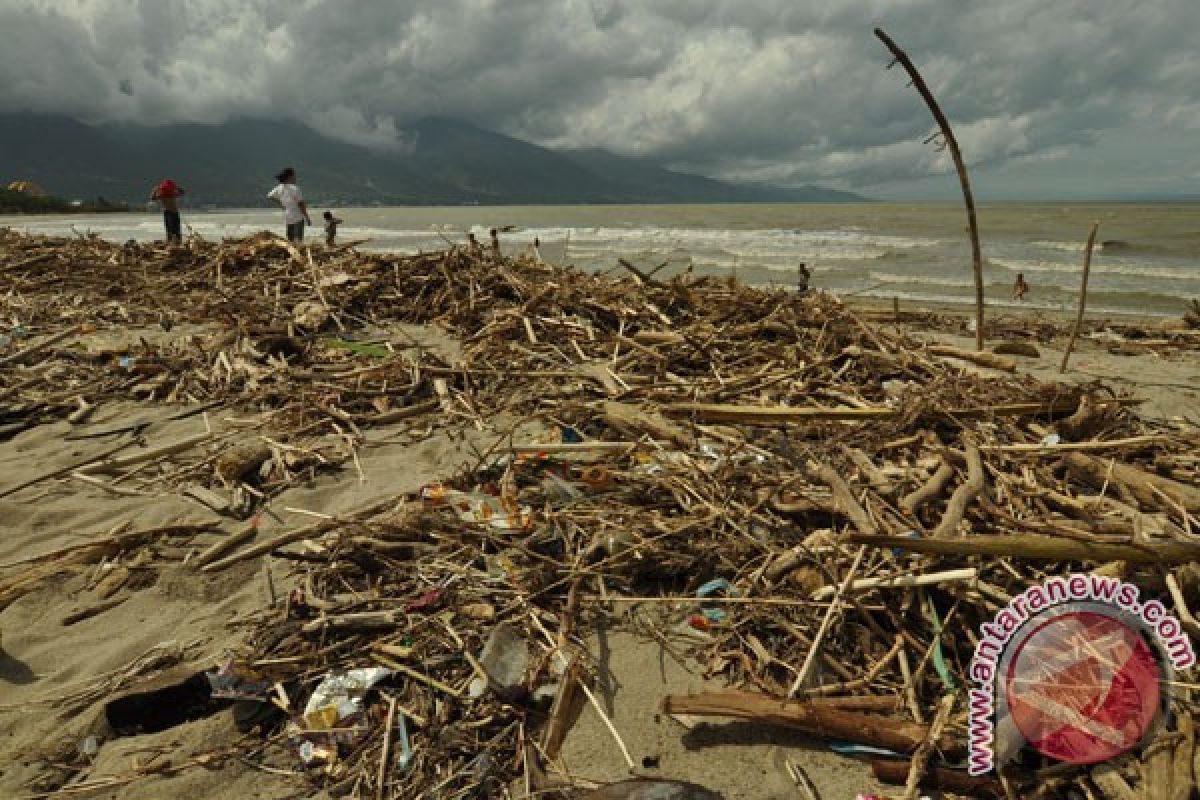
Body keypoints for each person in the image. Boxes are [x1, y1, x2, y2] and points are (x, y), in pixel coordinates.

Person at [267, 167, 311, 242]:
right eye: (294, 176)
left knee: (290, 240)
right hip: (298, 218)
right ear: (290, 177)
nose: (295, 178)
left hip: (287, 217)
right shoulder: (295, 188)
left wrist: (280, 204)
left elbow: (269, 196)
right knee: (298, 239)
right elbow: (301, 204)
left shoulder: (279, 188)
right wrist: (307, 218)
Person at [150, 178, 185, 245]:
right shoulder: (172, 194)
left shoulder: (162, 195)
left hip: (168, 213)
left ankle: (171, 243)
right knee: (176, 230)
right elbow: (182, 192)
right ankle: (177, 243)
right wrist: (176, 187)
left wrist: (155, 189)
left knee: (170, 230)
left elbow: (152, 198)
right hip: (174, 212)